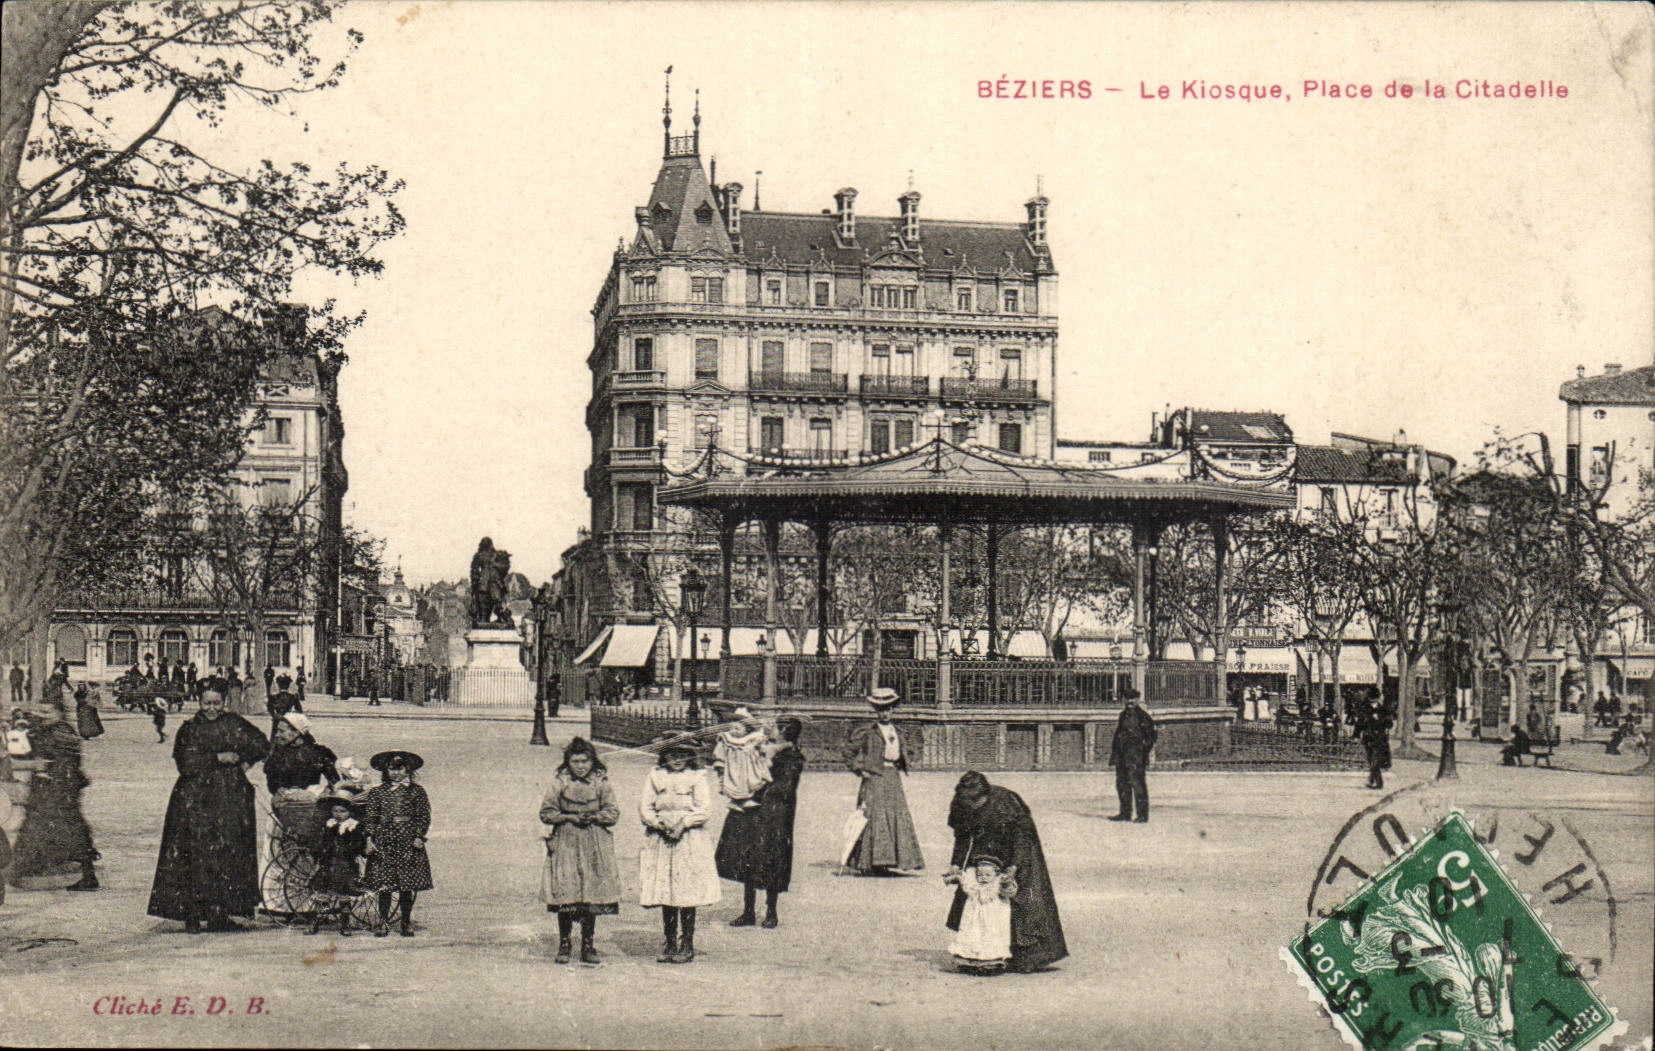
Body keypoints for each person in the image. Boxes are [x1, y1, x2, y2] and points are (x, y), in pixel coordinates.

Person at [147, 686, 270, 932]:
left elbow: (262, 743)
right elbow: (185, 763)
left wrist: (245, 764)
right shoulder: (190, 728)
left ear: (224, 702)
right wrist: (217, 759)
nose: (211, 709)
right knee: (194, 855)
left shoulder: (235, 723)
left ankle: (221, 914)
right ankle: (192, 915)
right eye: (207, 703)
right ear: (199, 703)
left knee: (228, 854)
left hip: (230, 798)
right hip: (195, 800)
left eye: (216, 703)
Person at [946, 771, 1067, 972]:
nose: (973, 807)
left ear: (986, 795)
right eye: (968, 803)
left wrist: (1013, 867)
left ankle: (1025, 955)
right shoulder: (960, 803)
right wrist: (956, 865)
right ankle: (982, 951)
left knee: (1021, 896)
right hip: (985, 851)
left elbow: (1022, 837)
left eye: (977, 803)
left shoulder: (1007, 802)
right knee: (980, 897)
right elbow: (962, 837)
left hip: (1017, 850)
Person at [716, 716, 806, 929]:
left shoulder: (792, 756)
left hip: (775, 815)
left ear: (783, 731)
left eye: (773, 727)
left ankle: (771, 911)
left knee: (772, 859)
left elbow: (784, 787)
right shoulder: (763, 749)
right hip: (755, 811)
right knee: (749, 858)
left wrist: (755, 790)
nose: (768, 730)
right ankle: (748, 911)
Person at [639, 733, 720, 964]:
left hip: (689, 839)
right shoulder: (656, 776)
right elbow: (645, 807)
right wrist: (659, 823)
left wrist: (683, 824)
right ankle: (670, 940)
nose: (677, 759)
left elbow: (704, 810)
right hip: (662, 837)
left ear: (690, 756)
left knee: (686, 890)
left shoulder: (697, 777)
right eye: (673, 754)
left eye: (683, 754)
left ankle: (687, 942)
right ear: (664, 756)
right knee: (666, 889)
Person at [539, 737, 621, 964]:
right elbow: (546, 812)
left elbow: (613, 813)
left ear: (592, 761)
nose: (581, 766)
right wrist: (569, 817)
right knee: (567, 892)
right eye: (576, 761)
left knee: (590, 894)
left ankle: (588, 944)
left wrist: (594, 816)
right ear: (568, 763)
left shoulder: (601, 782)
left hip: (594, 842)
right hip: (566, 840)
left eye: (585, 761)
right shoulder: (560, 782)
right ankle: (564, 943)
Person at [8, 701, 100, 891]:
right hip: (50, 788)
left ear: (59, 713)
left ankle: (21, 871)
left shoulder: (62, 732)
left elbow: (67, 763)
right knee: (59, 828)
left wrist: (46, 770)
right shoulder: (48, 729)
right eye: (41, 711)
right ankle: (22, 871)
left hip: (60, 788)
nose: (44, 715)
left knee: (60, 828)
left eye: (48, 712)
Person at [262, 712, 340, 916]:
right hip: (285, 808)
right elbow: (272, 785)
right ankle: (278, 904)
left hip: (311, 808)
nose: (277, 735)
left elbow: (334, 781)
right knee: (280, 855)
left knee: (307, 850)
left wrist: (322, 792)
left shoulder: (319, 753)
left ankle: (309, 903)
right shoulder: (277, 755)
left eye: (282, 731)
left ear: (298, 732)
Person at [842, 687, 925, 874]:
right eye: (881, 709)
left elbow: (909, 750)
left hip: (892, 777)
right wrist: (860, 769)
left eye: (888, 709)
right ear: (876, 711)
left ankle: (888, 862)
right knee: (873, 816)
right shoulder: (867, 732)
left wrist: (907, 758)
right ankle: (869, 863)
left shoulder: (899, 731)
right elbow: (848, 752)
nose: (885, 713)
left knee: (895, 816)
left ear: (893, 709)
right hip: (875, 778)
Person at [363, 750, 433, 937]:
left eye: (399, 769)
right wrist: (370, 839)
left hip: (407, 841)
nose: (395, 773)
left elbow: (424, 816)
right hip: (384, 840)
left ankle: (405, 922)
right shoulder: (377, 792)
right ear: (385, 771)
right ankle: (383, 922)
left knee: (405, 885)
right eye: (391, 769)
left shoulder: (416, 792)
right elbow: (370, 817)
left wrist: (419, 836)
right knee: (384, 885)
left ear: (408, 770)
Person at [307, 790, 369, 937]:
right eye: (335, 811)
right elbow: (324, 843)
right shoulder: (330, 825)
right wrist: (322, 851)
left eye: (342, 811)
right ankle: (316, 922)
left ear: (349, 812)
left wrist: (350, 849)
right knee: (322, 894)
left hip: (345, 865)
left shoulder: (353, 827)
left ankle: (345, 923)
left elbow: (358, 845)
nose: (338, 814)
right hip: (329, 864)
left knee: (344, 895)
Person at [945, 853, 1017, 975]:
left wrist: (1007, 882)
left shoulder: (996, 885)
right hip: (974, 920)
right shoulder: (974, 886)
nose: (983, 878)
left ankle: (991, 962)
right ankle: (969, 960)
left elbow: (1010, 891)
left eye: (988, 875)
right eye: (980, 875)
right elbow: (963, 878)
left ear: (996, 874)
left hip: (992, 920)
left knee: (991, 937)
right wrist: (953, 877)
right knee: (972, 936)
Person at [1109, 686, 1157, 823]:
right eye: (1127, 699)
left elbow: (1151, 737)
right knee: (1122, 785)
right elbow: (1118, 735)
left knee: (1138, 785)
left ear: (1137, 700)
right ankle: (1125, 813)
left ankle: (1142, 815)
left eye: (1133, 699)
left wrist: (1142, 751)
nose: (1130, 701)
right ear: (1123, 700)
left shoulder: (1143, 716)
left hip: (1136, 757)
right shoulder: (1122, 715)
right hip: (1122, 756)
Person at [713, 707, 773, 812]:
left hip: (748, 767)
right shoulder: (726, 739)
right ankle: (734, 802)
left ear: (747, 730)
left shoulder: (751, 739)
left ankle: (746, 800)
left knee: (749, 781)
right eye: (731, 728)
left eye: (737, 728)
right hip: (733, 767)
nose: (733, 731)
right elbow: (720, 752)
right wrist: (720, 764)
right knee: (735, 782)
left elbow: (762, 745)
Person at [1358, 696, 1393, 788]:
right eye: (1371, 702)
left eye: (1374, 701)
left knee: (1375, 760)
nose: (1373, 704)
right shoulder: (1365, 710)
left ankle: (1378, 783)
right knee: (1371, 760)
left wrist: (1380, 720)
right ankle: (1372, 780)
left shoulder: (1384, 710)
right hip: (1368, 738)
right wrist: (1357, 734)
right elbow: (1360, 723)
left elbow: (1390, 723)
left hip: (1380, 738)